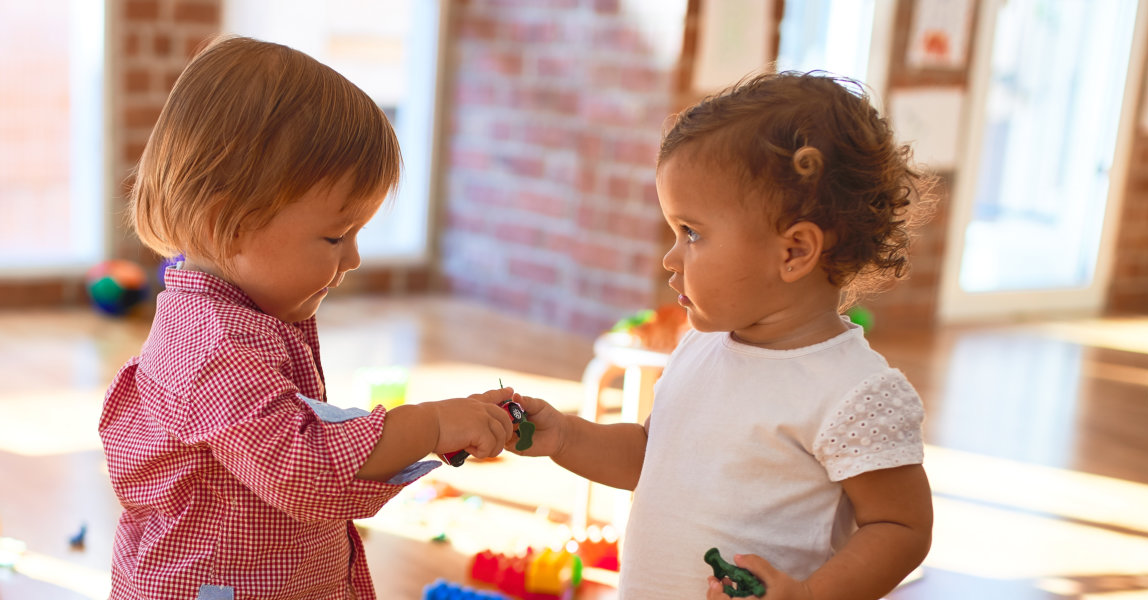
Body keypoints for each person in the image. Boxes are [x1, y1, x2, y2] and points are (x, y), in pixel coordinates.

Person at [99, 36, 516, 599]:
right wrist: (431, 425)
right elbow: (307, 465)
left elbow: (309, 433)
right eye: (336, 236)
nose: (353, 259)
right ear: (233, 222)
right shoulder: (214, 346)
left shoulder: (248, 313)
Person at [511, 71, 938, 600]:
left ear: (794, 252)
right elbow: (652, 455)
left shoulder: (855, 392)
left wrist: (807, 596)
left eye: (692, 233)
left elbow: (900, 529)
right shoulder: (701, 345)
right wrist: (565, 437)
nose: (670, 257)